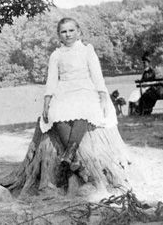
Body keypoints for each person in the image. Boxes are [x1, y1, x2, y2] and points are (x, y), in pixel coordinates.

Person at [41, 17, 117, 167]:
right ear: (58, 35)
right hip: (64, 89)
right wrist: (46, 102)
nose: (68, 34)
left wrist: (102, 94)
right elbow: (51, 81)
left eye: (71, 30)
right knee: (56, 114)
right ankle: (74, 160)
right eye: (63, 32)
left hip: (85, 88)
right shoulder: (56, 55)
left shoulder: (87, 50)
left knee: (83, 110)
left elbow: (96, 74)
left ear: (78, 32)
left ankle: (70, 151)